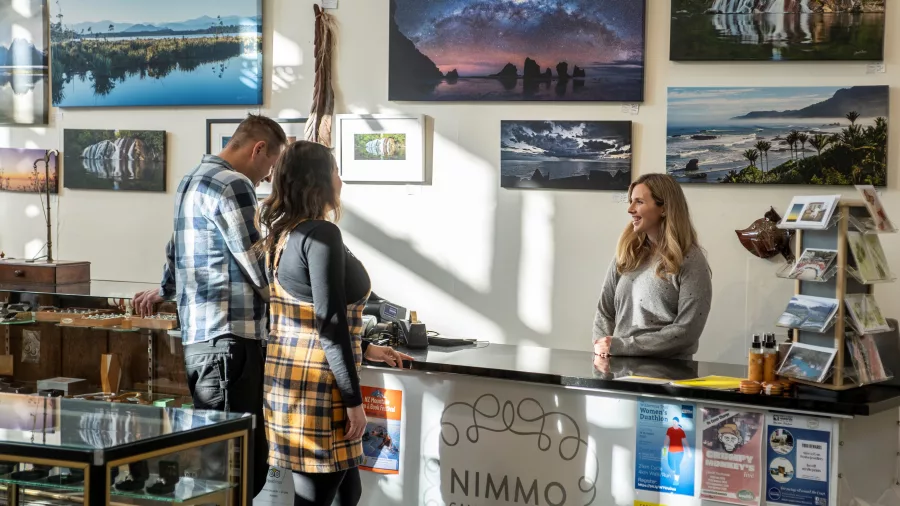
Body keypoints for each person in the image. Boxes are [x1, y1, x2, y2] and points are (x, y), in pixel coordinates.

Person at [133, 114, 288, 498]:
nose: (267, 176)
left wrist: (165, 290)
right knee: (239, 464)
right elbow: (256, 262)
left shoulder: (190, 180)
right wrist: (294, 304)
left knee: (220, 462)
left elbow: (176, 249)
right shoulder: (234, 184)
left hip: (203, 341)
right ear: (259, 149)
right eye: (269, 166)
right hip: (231, 340)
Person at [256, 141, 412, 506]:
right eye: (335, 171)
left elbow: (306, 316)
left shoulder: (284, 234)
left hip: (287, 383)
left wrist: (366, 346)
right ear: (318, 181)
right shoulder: (322, 235)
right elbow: (331, 325)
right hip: (320, 390)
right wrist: (353, 402)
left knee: (347, 491)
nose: (340, 181)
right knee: (317, 500)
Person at [593, 173, 712, 359]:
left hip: (668, 375)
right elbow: (605, 312)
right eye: (631, 201)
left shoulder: (691, 260)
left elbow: (686, 332)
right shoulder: (626, 253)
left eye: (639, 202)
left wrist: (622, 346)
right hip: (619, 369)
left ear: (664, 208)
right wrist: (602, 349)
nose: (630, 209)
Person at [663, 416, 691, 485]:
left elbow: (685, 442)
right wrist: (664, 451)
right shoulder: (669, 430)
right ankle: (674, 469)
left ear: (678, 422)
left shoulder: (681, 431)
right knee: (671, 465)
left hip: (680, 452)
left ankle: (676, 481)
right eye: (673, 421)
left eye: (675, 421)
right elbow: (666, 440)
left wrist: (689, 451)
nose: (673, 423)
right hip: (670, 451)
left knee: (677, 465)